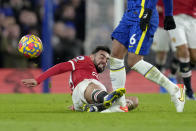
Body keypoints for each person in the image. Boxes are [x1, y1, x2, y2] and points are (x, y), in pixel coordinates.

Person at [109, 0, 185, 112]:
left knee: (134, 61)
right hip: (129, 13)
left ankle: (175, 89)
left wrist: (164, 13)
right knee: (115, 54)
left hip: (144, 13)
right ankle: (119, 101)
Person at [22, 46, 137, 112]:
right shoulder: (84, 60)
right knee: (92, 85)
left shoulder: (93, 72)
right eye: (102, 57)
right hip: (83, 88)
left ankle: (99, 107)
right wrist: (38, 80)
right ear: (92, 56)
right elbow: (61, 67)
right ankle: (106, 100)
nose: (104, 61)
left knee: (134, 101)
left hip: (84, 97)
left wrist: (75, 106)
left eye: (107, 59)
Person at [167, 0, 196, 100]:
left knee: (194, 57)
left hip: (192, 18)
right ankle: (189, 91)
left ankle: (181, 68)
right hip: (175, 18)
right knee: (184, 52)